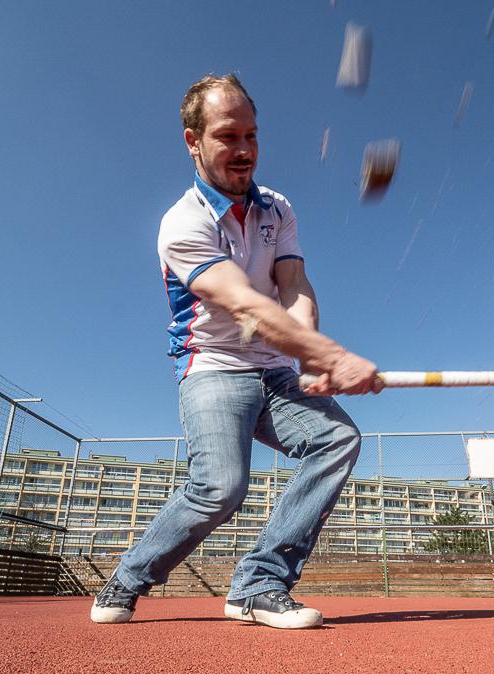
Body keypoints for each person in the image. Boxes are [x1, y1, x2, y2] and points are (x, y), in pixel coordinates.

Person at [90, 74, 382, 629]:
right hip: (214, 368)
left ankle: (259, 584)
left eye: (252, 135)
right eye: (228, 136)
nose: (245, 150)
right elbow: (247, 305)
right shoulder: (182, 224)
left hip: (273, 367)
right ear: (192, 141)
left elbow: (292, 285)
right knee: (221, 487)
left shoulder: (277, 208)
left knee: (338, 438)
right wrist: (331, 353)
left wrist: (312, 357)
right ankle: (128, 579)